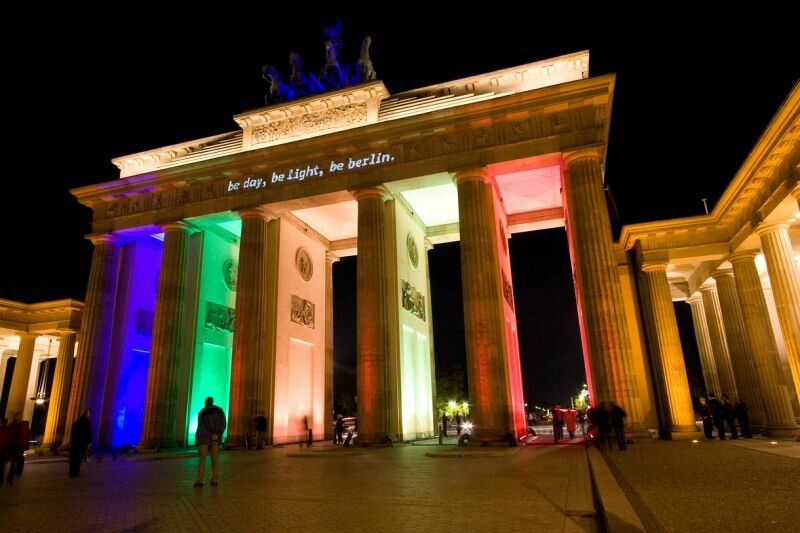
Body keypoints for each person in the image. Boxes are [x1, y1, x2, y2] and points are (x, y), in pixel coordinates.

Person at [194, 397, 226, 488]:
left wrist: (198, 440)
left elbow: (200, 426)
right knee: (215, 459)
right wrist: (217, 433)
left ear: (205, 402)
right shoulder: (220, 411)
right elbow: (223, 423)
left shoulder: (202, 412)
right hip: (215, 438)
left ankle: (199, 480)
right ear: (213, 402)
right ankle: (214, 479)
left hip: (204, 438)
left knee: (202, 460)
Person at [69, 410, 92, 478]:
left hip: (75, 443)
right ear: (87, 414)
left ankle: (71, 472)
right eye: (88, 414)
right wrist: (89, 442)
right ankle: (76, 472)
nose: (89, 415)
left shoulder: (77, 422)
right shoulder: (87, 423)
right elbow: (89, 433)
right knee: (79, 458)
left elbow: (73, 432)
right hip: (82, 443)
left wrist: (73, 441)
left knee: (74, 458)